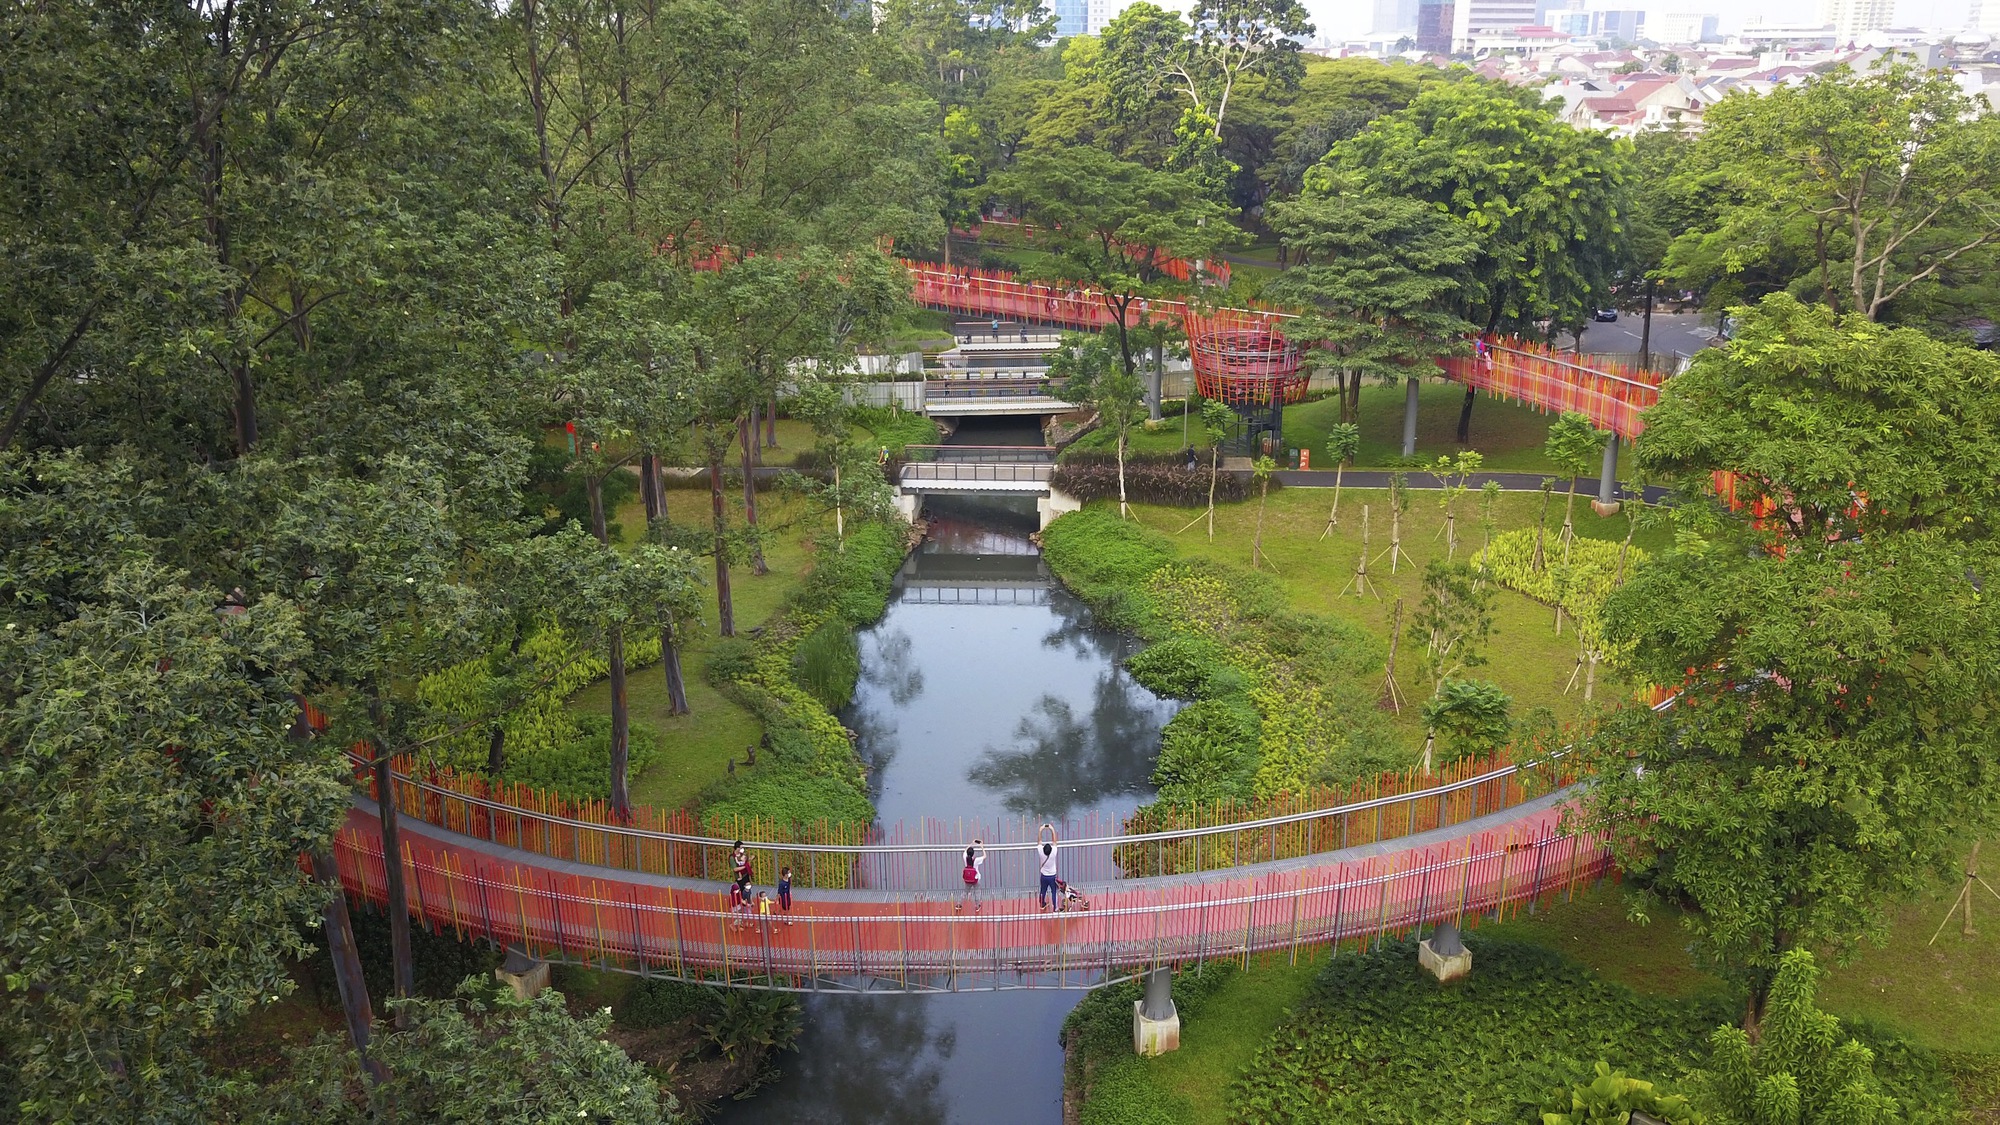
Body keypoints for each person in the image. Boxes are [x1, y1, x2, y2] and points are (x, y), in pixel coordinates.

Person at [1037, 824, 1061, 912]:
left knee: (1043, 890)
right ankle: (1055, 907)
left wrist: (1040, 830)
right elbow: (1055, 842)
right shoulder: (1054, 852)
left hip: (1043, 875)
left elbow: (1039, 841)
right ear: (1051, 850)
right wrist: (1052, 829)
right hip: (1052, 876)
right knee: (1054, 892)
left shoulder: (1040, 851)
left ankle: (1042, 904)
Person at [957, 841, 986, 913]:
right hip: (976, 878)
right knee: (977, 892)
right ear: (973, 854)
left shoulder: (965, 858)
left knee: (965, 892)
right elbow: (985, 856)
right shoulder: (976, 860)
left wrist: (972, 843)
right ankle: (977, 906)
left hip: (968, 879)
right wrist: (982, 846)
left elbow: (965, 851)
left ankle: (959, 904)